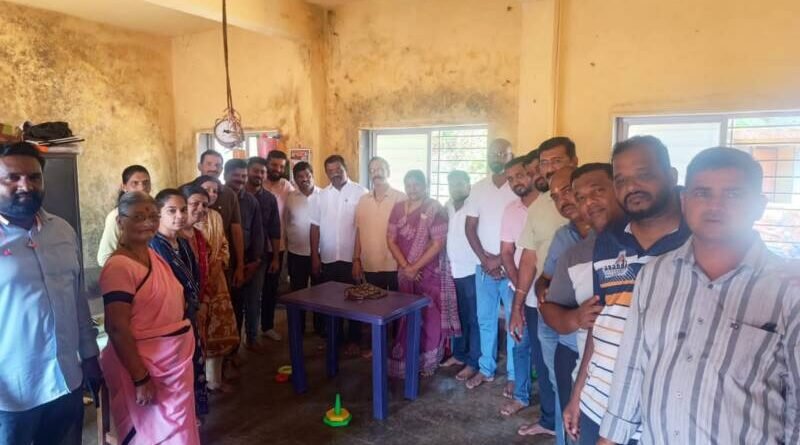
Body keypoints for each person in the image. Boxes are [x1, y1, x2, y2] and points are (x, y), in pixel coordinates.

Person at [599, 148, 800, 445]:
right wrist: (610, 439)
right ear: (684, 201)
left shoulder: (789, 289)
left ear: (759, 206)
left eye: (733, 194)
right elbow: (631, 365)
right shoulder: (654, 275)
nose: (715, 205)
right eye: (702, 193)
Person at [569, 135, 689, 445]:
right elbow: (601, 322)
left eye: (643, 174)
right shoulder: (608, 241)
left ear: (671, 176)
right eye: (621, 180)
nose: (631, 187)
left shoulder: (698, 242)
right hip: (598, 404)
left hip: (661, 419)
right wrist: (578, 392)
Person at [0, 142, 100, 445]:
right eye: (12, 178)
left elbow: (77, 300)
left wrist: (90, 356)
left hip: (66, 380)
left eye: (34, 177)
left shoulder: (62, 231)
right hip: (11, 397)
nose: (25, 186)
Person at [100, 191, 199, 444]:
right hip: (141, 366)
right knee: (149, 433)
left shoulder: (154, 256)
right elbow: (117, 327)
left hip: (172, 365)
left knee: (180, 433)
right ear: (120, 221)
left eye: (153, 216)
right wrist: (140, 377)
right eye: (138, 217)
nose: (147, 223)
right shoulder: (119, 266)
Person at [540, 163, 624, 439]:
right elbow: (549, 309)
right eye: (580, 197)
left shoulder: (652, 249)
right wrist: (575, 318)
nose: (588, 203)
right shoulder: (575, 254)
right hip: (594, 386)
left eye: (598, 191)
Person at [510, 137, 575, 443]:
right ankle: (554, 425)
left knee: (581, 379)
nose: (549, 168)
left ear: (573, 161)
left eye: (556, 161)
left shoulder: (586, 200)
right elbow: (528, 258)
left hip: (580, 309)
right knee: (551, 374)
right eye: (544, 163)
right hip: (543, 306)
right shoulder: (539, 206)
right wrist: (517, 306)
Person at [498, 156, 564, 429]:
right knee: (525, 348)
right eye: (511, 178)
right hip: (525, 293)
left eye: (522, 174)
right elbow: (513, 254)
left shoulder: (559, 205)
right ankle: (528, 400)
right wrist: (519, 294)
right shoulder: (516, 210)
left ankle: (558, 419)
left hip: (559, 299)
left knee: (557, 361)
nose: (518, 181)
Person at [527, 166, 592, 431]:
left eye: (566, 191)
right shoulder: (563, 236)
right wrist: (541, 288)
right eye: (555, 196)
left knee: (588, 406)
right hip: (559, 331)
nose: (562, 200)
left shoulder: (611, 236)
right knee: (562, 394)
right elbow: (545, 276)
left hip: (587, 338)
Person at [387, 170, 461, 378]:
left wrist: (415, 267)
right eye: (408, 185)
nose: (412, 189)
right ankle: (407, 356)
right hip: (405, 272)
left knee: (430, 316)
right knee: (407, 314)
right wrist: (406, 267)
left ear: (425, 185)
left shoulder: (434, 208)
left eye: (417, 184)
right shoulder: (398, 208)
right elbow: (390, 239)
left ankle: (428, 360)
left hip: (429, 272)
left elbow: (438, 243)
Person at [149, 189, 209, 418]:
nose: (180, 216)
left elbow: (195, 277)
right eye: (172, 211)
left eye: (183, 210)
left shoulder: (183, 242)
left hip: (190, 315)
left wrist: (199, 303)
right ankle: (180, 421)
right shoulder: (154, 246)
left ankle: (194, 417)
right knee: (177, 373)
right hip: (169, 320)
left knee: (193, 364)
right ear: (158, 214)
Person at [464, 138, 517, 392]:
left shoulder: (517, 187)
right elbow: (470, 227)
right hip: (483, 268)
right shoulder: (478, 188)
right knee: (485, 320)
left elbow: (523, 228)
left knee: (515, 323)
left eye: (502, 153)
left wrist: (501, 260)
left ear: (511, 156)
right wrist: (485, 260)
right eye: (492, 152)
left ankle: (514, 375)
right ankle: (486, 369)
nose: (496, 156)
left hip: (513, 268)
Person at [182, 184, 240, 392]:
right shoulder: (177, 232)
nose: (200, 208)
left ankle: (214, 381)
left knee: (217, 332)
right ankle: (195, 387)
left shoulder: (214, 218)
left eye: (204, 204)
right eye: (195, 203)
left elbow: (223, 244)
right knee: (195, 337)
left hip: (216, 282)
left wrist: (218, 265)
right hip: (191, 292)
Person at [309, 155, 367, 355]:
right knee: (331, 301)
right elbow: (314, 227)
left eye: (338, 170)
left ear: (345, 168)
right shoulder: (320, 196)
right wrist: (314, 256)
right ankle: (335, 339)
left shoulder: (361, 192)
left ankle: (354, 340)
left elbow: (363, 228)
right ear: (326, 173)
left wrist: (358, 258)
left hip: (352, 259)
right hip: (328, 257)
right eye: (330, 171)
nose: (335, 174)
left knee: (355, 300)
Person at [443, 170, 480, 381]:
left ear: (468, 184)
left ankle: (474, 362)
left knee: (474, 318)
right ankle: (459, 355)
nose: (455, 187)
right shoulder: (447, 205)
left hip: (473, 270)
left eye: (459, 183)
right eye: (452, 184)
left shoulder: (475, 204)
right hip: (452, 271)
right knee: (458, 316)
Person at [223, 159, 265, 352]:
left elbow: (257, 232)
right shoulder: (217, 198)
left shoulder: (251, 201)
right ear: (225, 175)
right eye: (236, 175)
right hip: (226, 263)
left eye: (243, 176)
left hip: (249, 261)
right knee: (233, 306)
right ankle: (233, 348)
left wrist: (256, 260)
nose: (240, 179)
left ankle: (251, 339)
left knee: (252, 302)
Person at [353, 156, 406, 289]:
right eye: (373, 170)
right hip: (369, 265)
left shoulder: (401, 198)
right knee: (374, 301)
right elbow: (359, 232)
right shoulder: (363, 200)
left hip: (395, 265)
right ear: (370, 174)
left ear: (388, 172)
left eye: (381, 169)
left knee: (396, 302)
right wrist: (356, 259)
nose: (377, 173)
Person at [196, 150, 246, 288]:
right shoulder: (185, 191)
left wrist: (240, 265)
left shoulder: (229, 194)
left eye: (217, 165)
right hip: (193, 264)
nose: (213, 168)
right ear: (200, 166)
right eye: (209, 164)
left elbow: (236, 230)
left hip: (220, 262)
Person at [246, 157, 282, 342]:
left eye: (262, 172)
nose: (259, 175)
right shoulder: (236, 195)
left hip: (261, 255)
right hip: (236, 255)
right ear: (247, 171)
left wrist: (275, 257)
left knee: (257, 296)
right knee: (236, 298)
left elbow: (275, 230)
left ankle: (255, 335)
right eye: (255, 171)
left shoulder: (269, 199)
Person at [284, 161, 321, 335]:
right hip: (296, 253)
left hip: (319, 253)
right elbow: (285, 222)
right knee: (298, 292)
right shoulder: (290, 197)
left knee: (320, 293)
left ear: (312, 175)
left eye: (307, 175)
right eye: (299, 176)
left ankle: (320, 328)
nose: (304, 179)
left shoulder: (323, 196)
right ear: (295, 179)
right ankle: (298, 328)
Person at [261, 151, 295, 340]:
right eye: (274, 165)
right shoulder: (258, 183)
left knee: (270, 289)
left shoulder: (286, 186)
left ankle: (267, 326)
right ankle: (249, 331)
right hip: (256, 247)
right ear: (267, 164)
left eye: (281, 166)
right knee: (252, 290)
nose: (277, 169)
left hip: (277, 247)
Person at [97, 164, 152, 267]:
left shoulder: (155, 213)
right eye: (135, 183)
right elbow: (104, 258)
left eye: (146, 183)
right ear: (124, 187)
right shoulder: (116, 217)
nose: (142, 188)